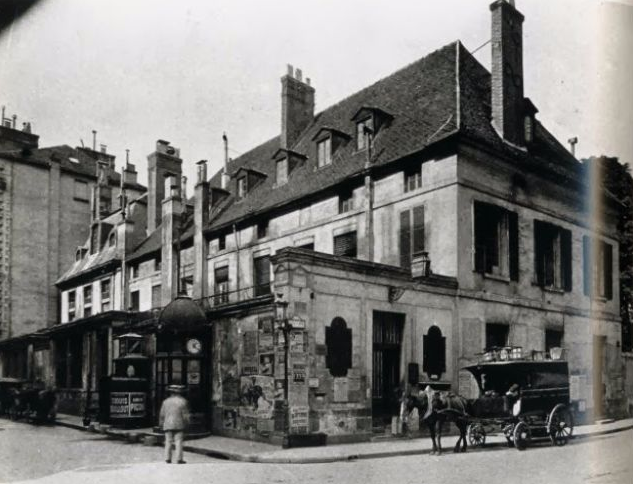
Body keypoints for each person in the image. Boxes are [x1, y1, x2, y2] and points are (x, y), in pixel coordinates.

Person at [159, 385, 190, 464]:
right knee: (179, 442)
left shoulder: (165, 402)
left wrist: (161, 423)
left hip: (168, 424)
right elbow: (185, 415)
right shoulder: (183, 401)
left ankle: (167, 458)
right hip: (179, 424)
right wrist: (187, 423)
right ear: (179, 393)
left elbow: (162, 414)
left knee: (168, 441)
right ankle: (179, 459)